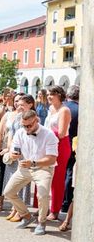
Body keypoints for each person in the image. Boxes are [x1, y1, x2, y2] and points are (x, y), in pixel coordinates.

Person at [5, 110, 58, 235]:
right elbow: (15, 150)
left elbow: (52, 158)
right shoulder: (20, 132)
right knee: (8, 192)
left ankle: (41, 222)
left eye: (29, 125)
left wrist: (34, 163)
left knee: (43, 195)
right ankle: (27, 216)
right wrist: (13, 155)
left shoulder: (49, 134)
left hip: (43, 168)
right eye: (24, 125)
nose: (26, 128)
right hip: (25, 167)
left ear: (37, 120)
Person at [1, 95, 36, 220]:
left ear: (30, 104)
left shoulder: (33, 119)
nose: (18, 106)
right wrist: (10, 149)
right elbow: (11, 133)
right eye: (18, 104)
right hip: (14, 152)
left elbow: (31, 137)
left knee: (20, 183)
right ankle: (13, 208)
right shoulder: (17, 117)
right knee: (11, 182)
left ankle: (19, 211)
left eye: (22, 105)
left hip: (24, 154)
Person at [44, 85, 71, 221]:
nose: (49, 96)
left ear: (59, 95)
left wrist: (42, 133)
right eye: (48, 94)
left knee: (57, 179)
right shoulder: (50, 109)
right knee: (46, 176)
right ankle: (44, 207)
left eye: (52, 94)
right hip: (48, 145)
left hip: (61, 146)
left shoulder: (64, 110)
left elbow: (61, 133)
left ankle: (55, 210)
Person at [0, 93, 22, 213]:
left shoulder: (26, 116)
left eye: (19, 101)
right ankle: (0, 200)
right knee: (2, 176)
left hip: (20, 151)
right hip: (5, 149)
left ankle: (15, 205)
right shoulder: (8, 115)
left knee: (17, 178)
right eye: (15, 100)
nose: (17, 103)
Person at [61, 85, 78, 214]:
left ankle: (59, 201)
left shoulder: (62, 108)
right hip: (73, 144)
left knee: (61, 173)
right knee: (70, 174)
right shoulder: (80, 109)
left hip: (61, 143)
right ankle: (66, 203)